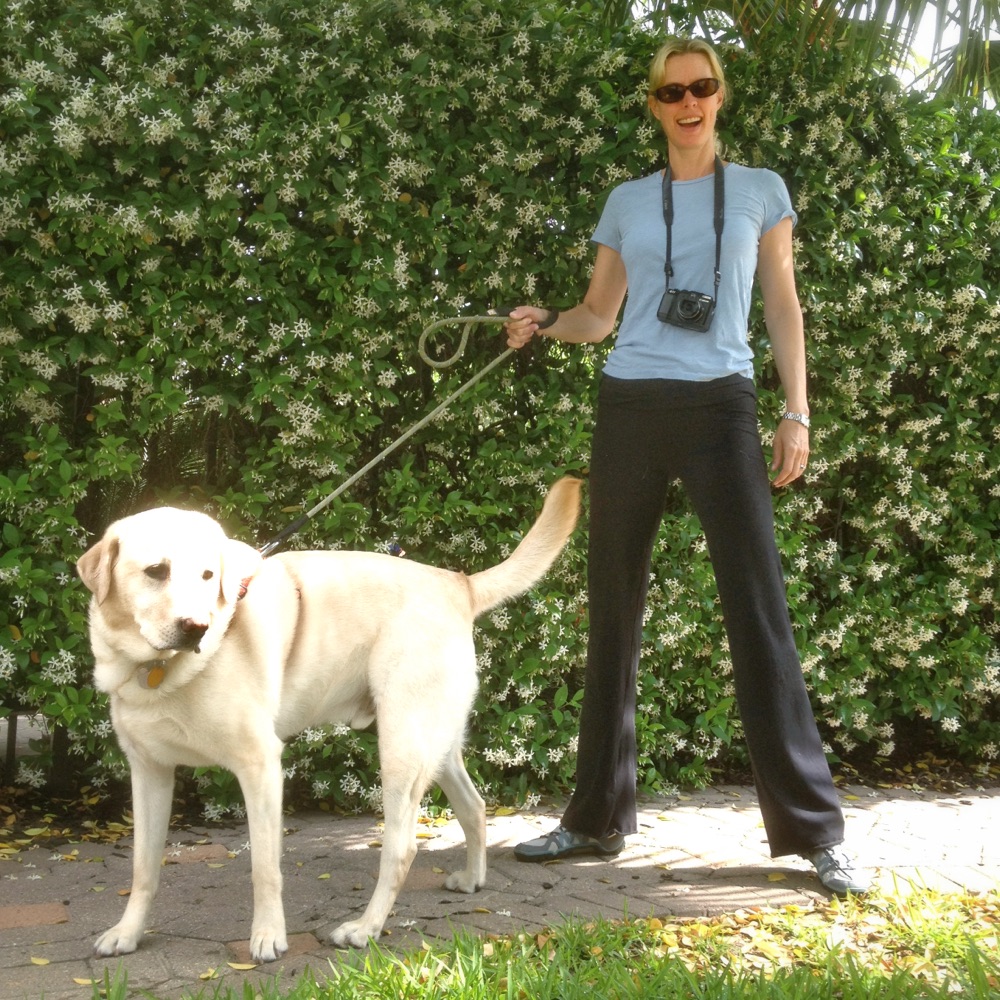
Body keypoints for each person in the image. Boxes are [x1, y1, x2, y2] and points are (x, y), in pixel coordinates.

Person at [504, 37, 869, 895]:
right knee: (612, 609)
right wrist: (543, 321)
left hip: (721, 406)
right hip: (630, 403)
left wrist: (797, 411)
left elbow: (782, 302)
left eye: (701, 87)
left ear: (721, 95)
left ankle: (815, 831)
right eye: (671, 92)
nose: (688, 103)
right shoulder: (627, 200)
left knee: (759, 609)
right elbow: (599, 314)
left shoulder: (761, 192)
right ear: (654, 105)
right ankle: (592, 819)